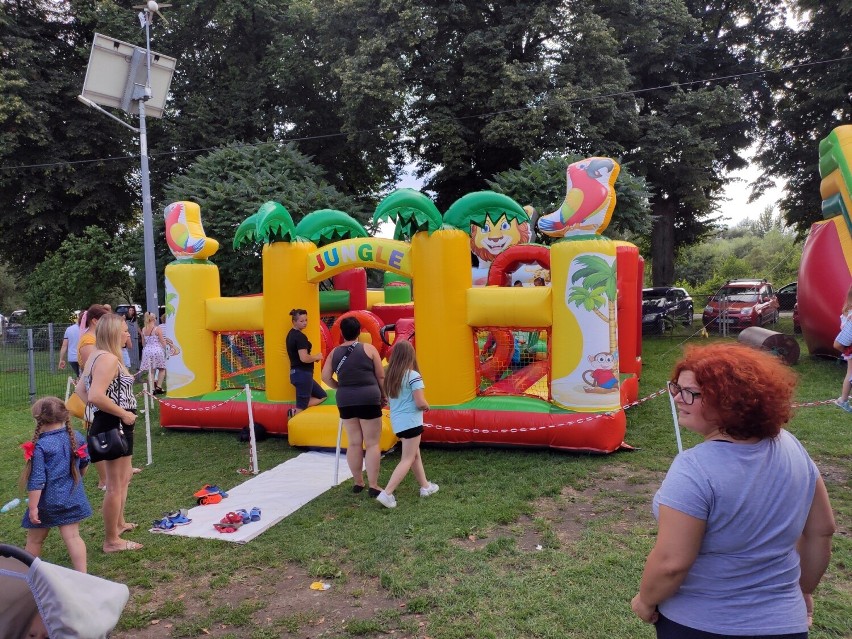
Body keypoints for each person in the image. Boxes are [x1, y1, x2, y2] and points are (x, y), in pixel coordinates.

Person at [631, 343, 835, 638]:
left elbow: (672, 563)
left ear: (729, 401)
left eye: (690, 392)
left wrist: (646, 600)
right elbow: (822, 530)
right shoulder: (792, 446)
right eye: (676, 387)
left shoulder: (694, 469)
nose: (676, 397)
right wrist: (802, 591)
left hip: (701, 625)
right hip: (785, 624)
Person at [75, 313, 141, 553]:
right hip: (115, 423)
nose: (127, 334)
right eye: (124, 330)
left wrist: (101, 411)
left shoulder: (96, 356)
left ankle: (120, 524)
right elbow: (93, 395)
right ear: (114, 332)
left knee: (124, 478)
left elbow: (81, 390)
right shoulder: (109, 359)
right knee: (114, 485)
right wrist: (121, 413)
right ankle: (111, 540)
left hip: (113, 422)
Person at [19, 397, 92, 572]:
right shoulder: (77, 437)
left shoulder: (41, 446)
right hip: (73, 498)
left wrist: (33, 508)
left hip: (46, 504)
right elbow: (84, 464)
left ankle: (26, 576)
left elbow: (37, 480)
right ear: (64, 415)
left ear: (38, 419)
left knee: (34, 540)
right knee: (74, 537)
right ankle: (83, 576)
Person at [321, 316, 385, 496]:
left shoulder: (334, 353)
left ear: (341, 333)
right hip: (368, 397)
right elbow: (380, 376)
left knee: (354, 442)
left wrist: (339, 386)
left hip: (346, 399)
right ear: (360, 332)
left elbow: (325, 377)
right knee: (372, 443)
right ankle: (373, 485)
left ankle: (358, 482)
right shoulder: (369, 349)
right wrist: (384, 394)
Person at [375, 341, 438, 508]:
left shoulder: (390, 377)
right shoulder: (413, 376)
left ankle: (425, 486)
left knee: (414, 455)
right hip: (411, 421)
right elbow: (420, 402)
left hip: (398, 422)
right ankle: (387, 493)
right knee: (407, 459)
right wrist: (426, 406)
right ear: (411, 356)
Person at [76, 304, 110, 491]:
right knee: (98, 436)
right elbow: (94, 367)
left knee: (107, 435)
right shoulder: (88, 341)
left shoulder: (95, 338)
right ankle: (104, 479)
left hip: (101, 391)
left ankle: (109, 476)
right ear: (95, 321)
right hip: (95, 393)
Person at [285, 309, 327, 415]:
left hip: (298, 374)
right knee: (301, 408)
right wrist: (316, 356)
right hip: (302, 374)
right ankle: (294, 413)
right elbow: (303, 358)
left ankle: (299, 407)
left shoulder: (290, 334)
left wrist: (313, 358)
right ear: (294, 322)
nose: (305, 323)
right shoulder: (300, 337)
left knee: (322, 395)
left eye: (306, 320)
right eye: (301, 321)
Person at [833, 285, 852, 412]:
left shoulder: (847, 311)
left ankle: (843, 400)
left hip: (849, 348)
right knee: (850, 374)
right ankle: (843, 400)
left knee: (850, 374)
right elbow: (841, 340)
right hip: (850, 347)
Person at [140, 311, 168, 394]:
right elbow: (162, 341)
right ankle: (159, 387)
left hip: (147, 351)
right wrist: (166, 349)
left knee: (151, 371)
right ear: (153, 319)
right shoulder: (157, 328)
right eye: (155, 317)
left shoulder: (144, 329)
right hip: (157, 350)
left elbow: (143, 343)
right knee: (162, 369)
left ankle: (152, 389)